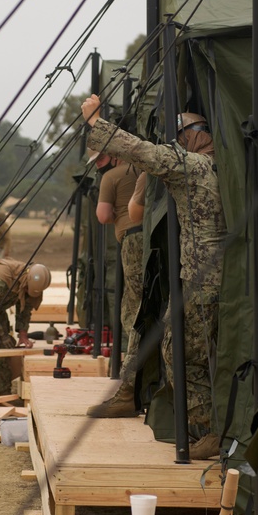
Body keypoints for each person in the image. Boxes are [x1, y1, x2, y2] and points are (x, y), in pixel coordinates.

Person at [82, 95, 226, 460]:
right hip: (226, 277)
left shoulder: (194, 166)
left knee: (176, 348)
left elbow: (142, 151)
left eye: (179, 137)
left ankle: (209, 428)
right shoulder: (231, 162)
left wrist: (96, 121)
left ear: (193, 135)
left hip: (201, 278)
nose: (176, 145)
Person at [85, 148, 144, 418]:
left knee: (132, 313)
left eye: (100, 159)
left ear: (114, 154)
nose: (99, 165)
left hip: (132, 240)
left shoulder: (112, 177)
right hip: (159, 239)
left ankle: (129, 390)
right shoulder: (145, 170)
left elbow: (103, 216)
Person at [0, 258, 51, 396]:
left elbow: (25, 308)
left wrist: (23, 334)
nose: (28, 291)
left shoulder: (35, 283)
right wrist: (1, 335)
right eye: (27, 289)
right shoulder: (0, 279)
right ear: (25, 281)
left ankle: (4, 393)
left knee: (5, 349)